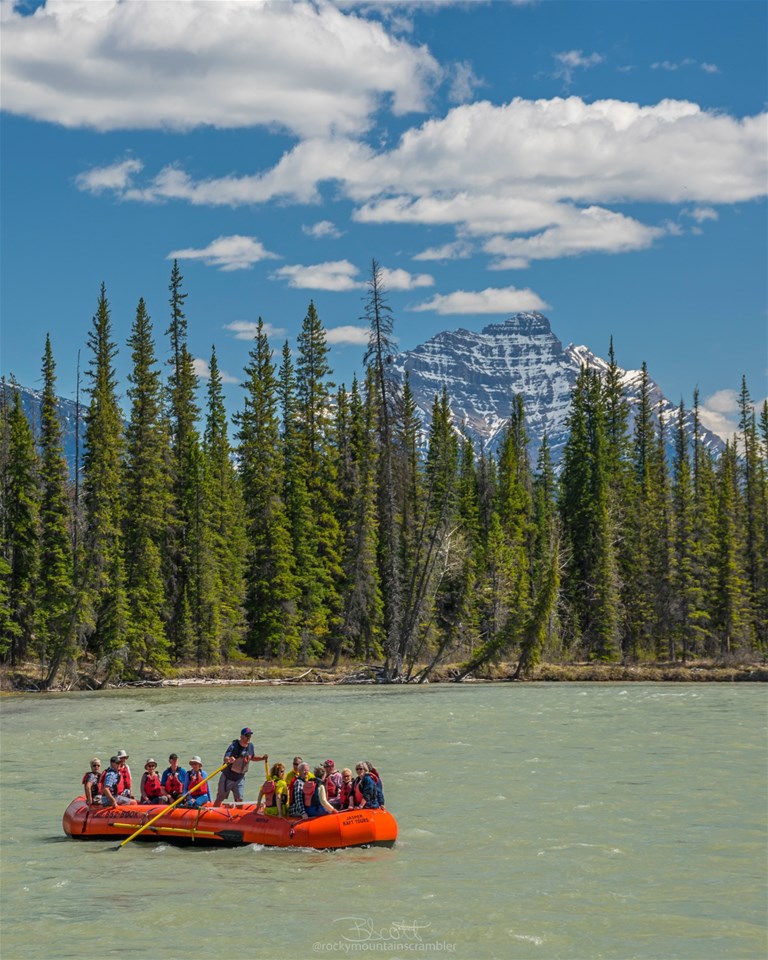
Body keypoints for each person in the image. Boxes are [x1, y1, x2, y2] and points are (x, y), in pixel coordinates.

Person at [214, 728, 267, 805]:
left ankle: (238, 815)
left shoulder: (250, 746)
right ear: (241, 736)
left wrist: (262, 758)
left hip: (240, 778)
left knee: (240, 800)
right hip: (228, 777)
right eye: (246, 736)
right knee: (220, 798)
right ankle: (214, 811)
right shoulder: (234, 746)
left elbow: (252, 757)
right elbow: (226, 758)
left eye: (250, 736)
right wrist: (229, 759)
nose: (248, 737)